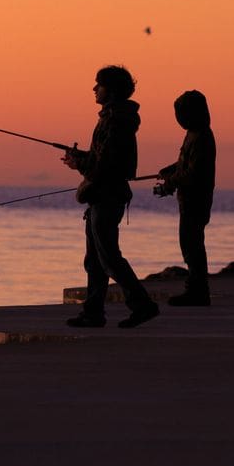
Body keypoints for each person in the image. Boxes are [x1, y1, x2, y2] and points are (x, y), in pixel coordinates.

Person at [61, 65, 160, 329]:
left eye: (98, 84)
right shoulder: (114, 119)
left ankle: (142, 305)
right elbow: (102, 160)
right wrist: (81, 158)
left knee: (108, 258)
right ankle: (93, 313)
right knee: (94, 260)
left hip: (106, 196)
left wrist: (77, 163)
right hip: (102, 196)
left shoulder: (115, 121)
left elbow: (102, 166)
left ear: (111, 90)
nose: (94, 89)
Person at [155, 90, 216, 306]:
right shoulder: (192, 134)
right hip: (187, 199)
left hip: (197, 200)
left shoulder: (202, 137)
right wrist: (169, 170)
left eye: (182, 113)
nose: (179, 118)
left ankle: (198, 291)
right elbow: (184, 164)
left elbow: (193, 172)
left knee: (193, 245)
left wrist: (170, 182)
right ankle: (196, 289)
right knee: (188, 243)